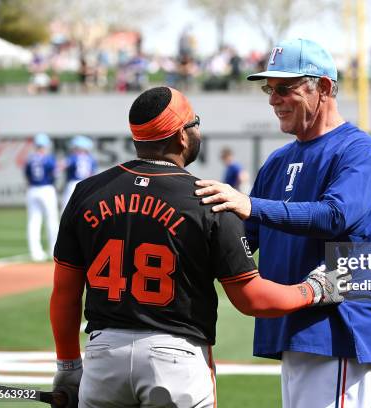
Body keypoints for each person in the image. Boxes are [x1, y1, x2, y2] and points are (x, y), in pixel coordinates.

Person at [50, 86, 349, 408]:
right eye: (195, 122)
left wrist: (68, 366)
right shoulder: (210, 200)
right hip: (177, 359)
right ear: (182, 136)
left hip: (103, 356)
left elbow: (65, 295)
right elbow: (252, 299)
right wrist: (316, 290)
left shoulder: (86, 192)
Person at [195, 39, 371, 408]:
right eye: (270, 89)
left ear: (326, 88)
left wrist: (250, 205)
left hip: (339, 325)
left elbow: (335, 216)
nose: (273, 98)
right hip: (295, 324)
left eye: (285, 88)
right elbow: (244, 239)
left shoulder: (358, 151)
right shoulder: (278, 160)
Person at [24, 133, 59, 261]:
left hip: (32, 190)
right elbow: (55, 175)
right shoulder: (49, 159)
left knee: (34, 221)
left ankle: (35, 252)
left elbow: (27, 176)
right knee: (51, 220)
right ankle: (53, 250)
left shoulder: (30, 159)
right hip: (46, 189)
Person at [61, 135, 97, 213]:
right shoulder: (91, 159)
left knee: (66, 209)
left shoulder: (73, 157)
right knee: (84, 210)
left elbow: (62, 165)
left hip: (73, 184)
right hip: (86, 185)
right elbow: (92, 174)